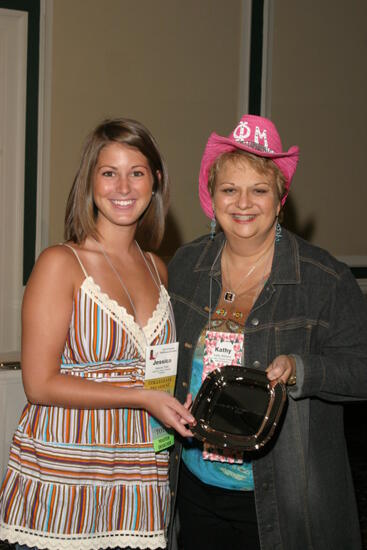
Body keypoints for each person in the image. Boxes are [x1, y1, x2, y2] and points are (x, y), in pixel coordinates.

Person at [167, 114, 367, 550]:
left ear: (281, 197)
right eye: (229, 189)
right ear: (211, 197)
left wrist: (301, 368)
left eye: (259, 189)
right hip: (195, 489)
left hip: (285, 500)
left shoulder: (324, 279)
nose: (243, 203)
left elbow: (361, 370)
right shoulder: (185, 267)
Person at [0, 118, 194, 550]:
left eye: (137, 172)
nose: (123, 187)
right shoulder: (60, 263)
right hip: (67, 473)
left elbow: (155, 373)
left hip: (137, 471)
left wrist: (175, 398)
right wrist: (140, 396)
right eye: (109, 173)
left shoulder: (157, 267)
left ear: (155, 181)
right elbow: (40, 384)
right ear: (90, 182)